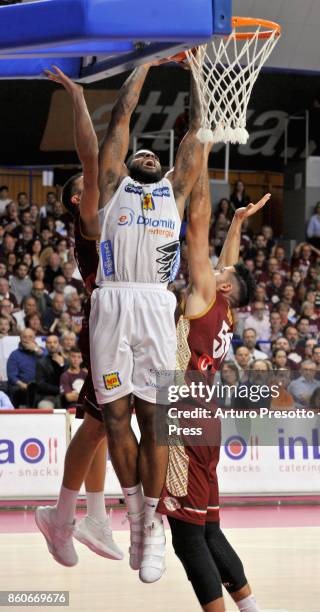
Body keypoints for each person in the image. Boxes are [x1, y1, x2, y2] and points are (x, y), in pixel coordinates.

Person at [89, 58, 206, 583]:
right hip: (112, 303)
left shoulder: (173, 191)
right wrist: (146, 61)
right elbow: (120, 117)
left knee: (153, 417)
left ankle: (154, 522)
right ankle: (135, 515)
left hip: (157, 305)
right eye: (140, 151)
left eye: (154, 152)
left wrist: (199, 74)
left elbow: (197, 136)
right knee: (116, 416)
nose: (147, 152)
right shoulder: (113, 183)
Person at [158, 146, 268, 612]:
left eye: (218, 271)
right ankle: (251, 607)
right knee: (207, 528)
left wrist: (198, 160)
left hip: (184, 418)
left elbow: (198, 231)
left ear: (221, 285)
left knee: (187, 537)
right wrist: (239, 222)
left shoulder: (208, 294)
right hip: (206, 418)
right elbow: (227, 258)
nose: (212, 267)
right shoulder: (220, 306)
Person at [35, 66, 122, 568]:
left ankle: (93, 516)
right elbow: (92, 158)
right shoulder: (91, 219)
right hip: (106, 320)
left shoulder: (122, 218)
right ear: (78, 198)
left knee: (102, 423)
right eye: (91, 186)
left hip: (120, 319)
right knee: (101, 422)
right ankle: (73, 515)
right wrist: (78, 98)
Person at [7, 328, 43, 406]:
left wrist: (36, 349)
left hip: (41, 386)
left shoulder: (42, 351)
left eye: (30, 337)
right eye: (24, 337)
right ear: (20, 339)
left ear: (34, 338)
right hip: (22, 387)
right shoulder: (14, 355)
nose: (27, 339)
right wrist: (23, 385)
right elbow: (12, 376)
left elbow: (48, 359)